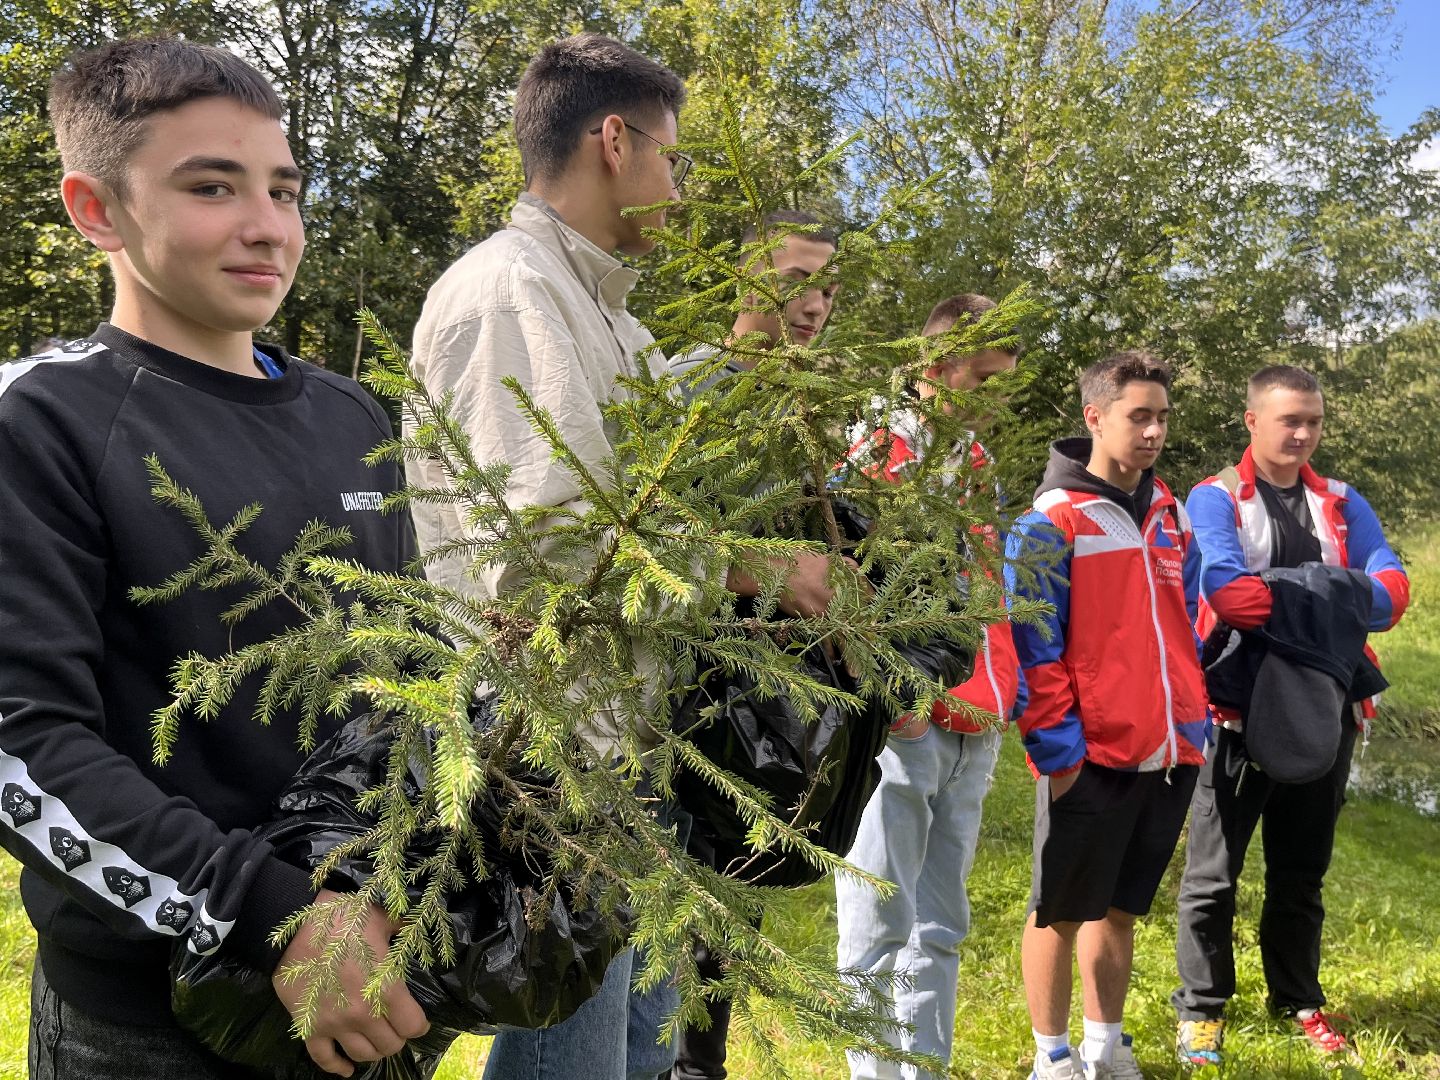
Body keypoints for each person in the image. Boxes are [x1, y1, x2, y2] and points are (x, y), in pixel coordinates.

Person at [0, 38, 424, 1080]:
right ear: (97, 209)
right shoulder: (44, 419)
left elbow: (404, 665)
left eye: (284, 189)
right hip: (149, 1026)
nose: (268, 227)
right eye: (212, 187)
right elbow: (21, 742)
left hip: (375, 980)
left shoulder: (348, 411)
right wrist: (270, 916)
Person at [405, 32, 691, 1080]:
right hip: (556, 766)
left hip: (631, 749)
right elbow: (544, 563)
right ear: (613, 139)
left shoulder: (609, 312)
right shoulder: (510, 294)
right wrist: (738, 573)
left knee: (633, 1056)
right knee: (569, 1067)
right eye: (674, 155)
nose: (679, 184)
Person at [1172, 365, 1409, 1068]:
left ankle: (1298, 999)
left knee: (1303, 870)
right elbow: (1225, 591)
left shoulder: (1341, 502)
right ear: (1253, 422)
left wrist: (1284, 590)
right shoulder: (1215, 498)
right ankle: (1202, 1009)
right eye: (1288, 420)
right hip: (1237, 713)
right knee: (1214, 874)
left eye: (1313, 421)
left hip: (1329, 711)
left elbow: (1391, 596)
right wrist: (1334, 594)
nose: (1302, 433)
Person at [664, 209, 843, 1080]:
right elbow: (646, 538)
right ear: (742, 280)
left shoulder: (809, 409)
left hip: (763, 713)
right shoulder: (692, 387)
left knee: (728, 911)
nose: (813, 306)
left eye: (828, 288)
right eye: (796, 280)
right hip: (675, 706)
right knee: (668, 919)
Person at [833, 293, 1024, 1080]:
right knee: (879, 917)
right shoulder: (880, 449)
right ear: (938, 367)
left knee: (941, 920)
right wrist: (894, 698)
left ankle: (927, 1068)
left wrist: (1000, 694)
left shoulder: (973, 462)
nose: (995, 398)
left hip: (975, 713)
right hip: (904, 718)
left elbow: (989, 591)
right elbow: (847, 579)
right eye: (983, 379)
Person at [1004, 351, 1208, 1080]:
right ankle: (1051, 1059)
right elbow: (1035, 649)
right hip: (1087, 755)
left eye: (1161, 417)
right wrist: (1060, 758)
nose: (1153, 432)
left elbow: (1185, 623)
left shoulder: (1170, 513)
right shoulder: (1049, 521)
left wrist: (1192, 719)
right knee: (1057, 910)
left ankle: (1105, 1046)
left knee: (1120, 909)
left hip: (1169, 748)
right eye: (1138, 416)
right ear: (1095, 417)